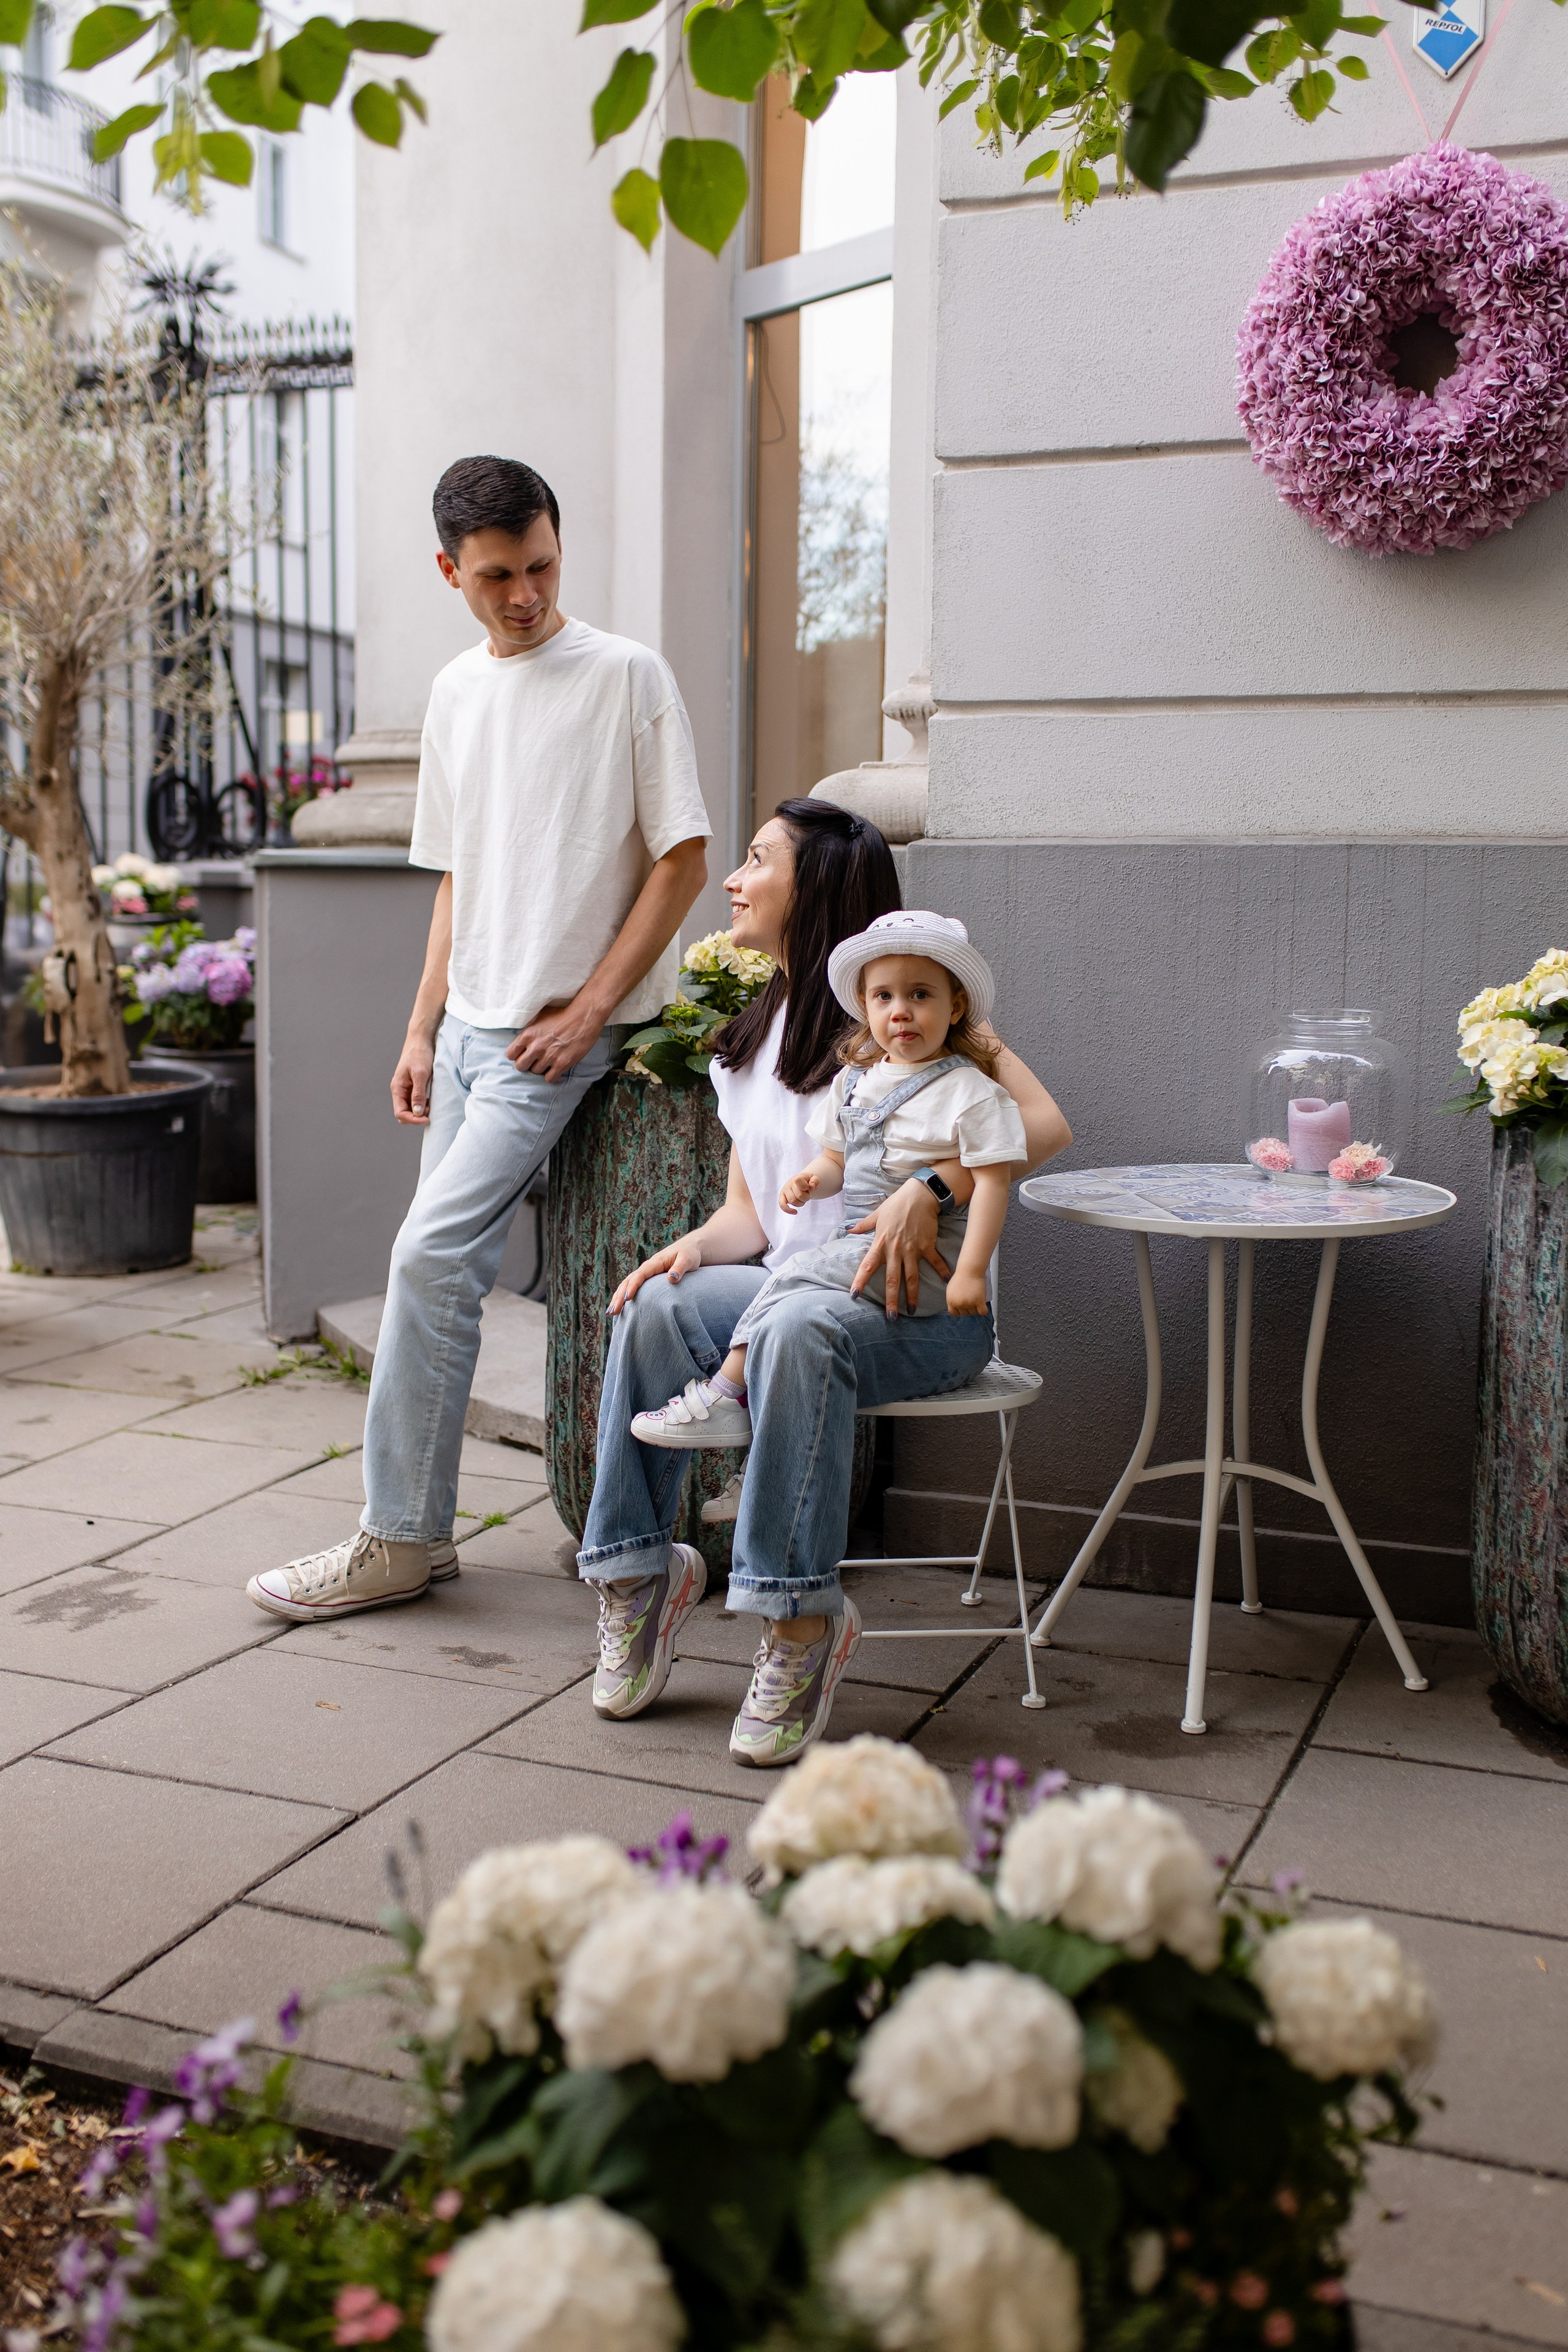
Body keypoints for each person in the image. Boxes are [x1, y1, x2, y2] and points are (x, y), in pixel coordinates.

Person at [246, 455, 710, 1624]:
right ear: (450, 570)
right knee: (439, 1278)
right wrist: (420, 1025)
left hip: (558, 1034)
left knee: (424, 1259)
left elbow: (683, 858)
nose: (526, 594)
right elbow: (456, 875)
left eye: (542, 565)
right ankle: (421, 1532)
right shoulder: (456, 693)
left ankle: (394, 1539)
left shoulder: (626, 676)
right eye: (498, 575)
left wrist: (596, 1007)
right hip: (468, 1029)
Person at [577, 800, 1071, 1766]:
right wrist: (687, 1250)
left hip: (908, 1310)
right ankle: (637, 1579)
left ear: (816, 891)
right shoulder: (757, 1034)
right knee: (656, 1311)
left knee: (800, 1334)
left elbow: (1043, 1126)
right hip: (790, 1284)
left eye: (756, 860)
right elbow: (752, 1218)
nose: (734, 878)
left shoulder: (921, 1020)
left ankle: (800, 1626)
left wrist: (934, 1185)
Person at [630, 911, 1027, 1449]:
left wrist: (971, 1273)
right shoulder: (855, 1082)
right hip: (859, 1250)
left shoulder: (970, 1090)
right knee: (791, 1289)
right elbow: (837, 1159)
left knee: (795, 1275)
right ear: (865, 1006)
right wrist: (812, 1180)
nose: (901, 1011)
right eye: (884, 997)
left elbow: (992, 1184)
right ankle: (744, 1437)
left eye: (921, 995)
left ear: (954, 1006)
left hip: (931, 1265)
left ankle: (729, 1391)